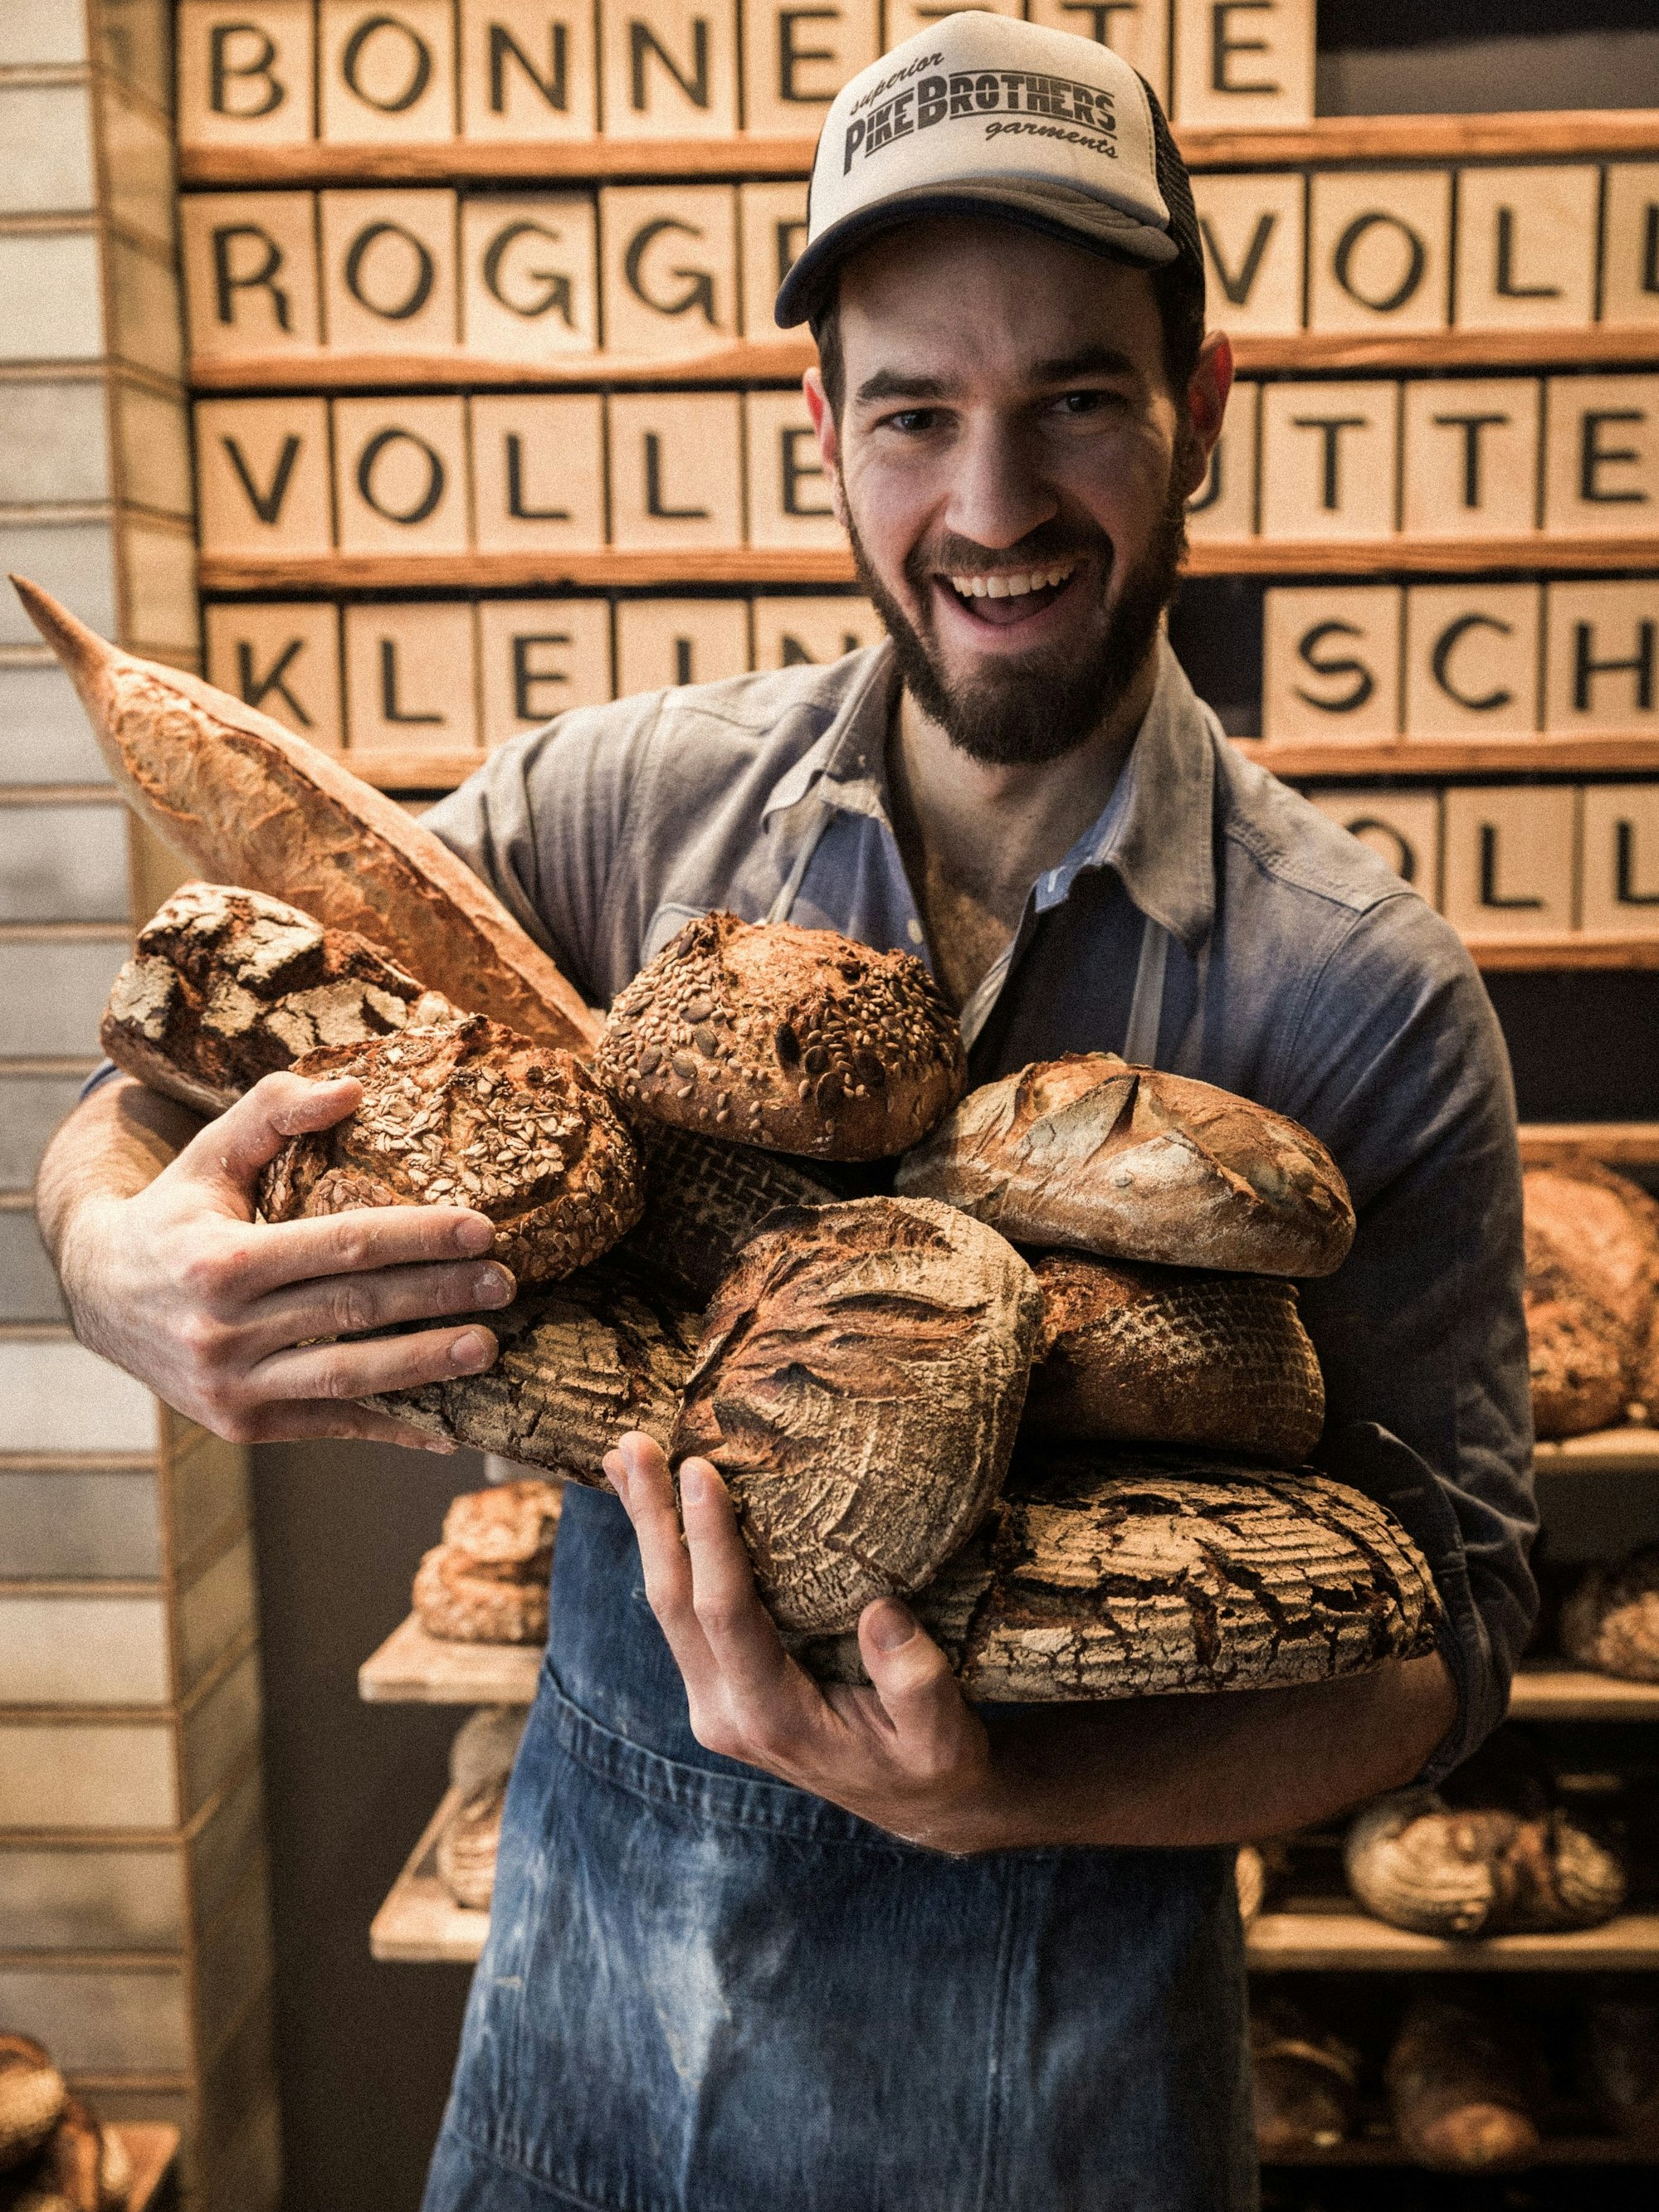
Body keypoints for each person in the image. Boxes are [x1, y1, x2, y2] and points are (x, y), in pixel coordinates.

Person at [37, 17, 1535, 2209]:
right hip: (584, 2047)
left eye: (1078, 401)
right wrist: (112, 1261)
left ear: (1205, 406)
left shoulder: (1360, 992)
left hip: (1066, 2090)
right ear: (821, 427)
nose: (993, 507)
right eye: (916, 412)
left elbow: (1457, 1632)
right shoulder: (616, 819)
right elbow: (162, 1072)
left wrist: (1007, 1794)